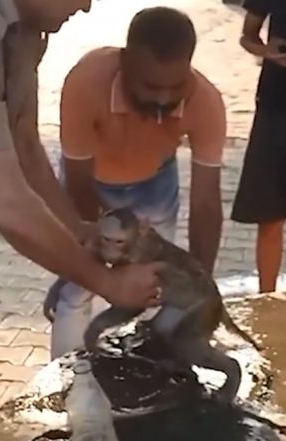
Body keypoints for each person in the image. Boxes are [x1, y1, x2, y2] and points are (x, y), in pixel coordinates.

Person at [0, 1, 166, 440]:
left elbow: (22, 145)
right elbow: (4, 199)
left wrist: (79, 234)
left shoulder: (22, 30)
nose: (86, 5)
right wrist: (107, 282)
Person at [49, 6, 227, 358]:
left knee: (150, 289)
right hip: (91, 186)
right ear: (125, 60)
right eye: (150, 86)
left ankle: (140, 371)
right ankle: (66, 380)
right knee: (76, 292)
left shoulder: (206, 101)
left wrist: (200, 283)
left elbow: (206, 203)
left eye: (175, 86)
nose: (162, 98)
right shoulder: (86, 81)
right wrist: (95, 259)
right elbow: (78, 181)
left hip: (154, 190)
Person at [231, 0, 286, 294]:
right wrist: (268, 52)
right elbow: (247, 36)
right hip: (274, 105)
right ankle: (266, 296)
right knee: (269, 216)